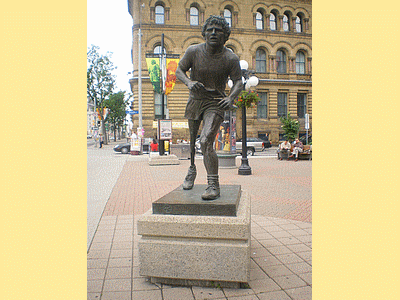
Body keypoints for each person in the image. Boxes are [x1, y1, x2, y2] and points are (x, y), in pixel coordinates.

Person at [176, 15, 243, 200]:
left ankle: (213, 184)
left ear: (225, 35)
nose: (213, 33)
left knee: (205, 141)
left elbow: (238, 82)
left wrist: (231, 98)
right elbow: (179, 70)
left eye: (218, 30)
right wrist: (189, 82)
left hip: (215, 102)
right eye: (210, 29)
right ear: (204, 33)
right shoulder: (193, 51)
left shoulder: (230, 58)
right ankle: (191, 169)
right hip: (196, 99)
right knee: (191, 141)